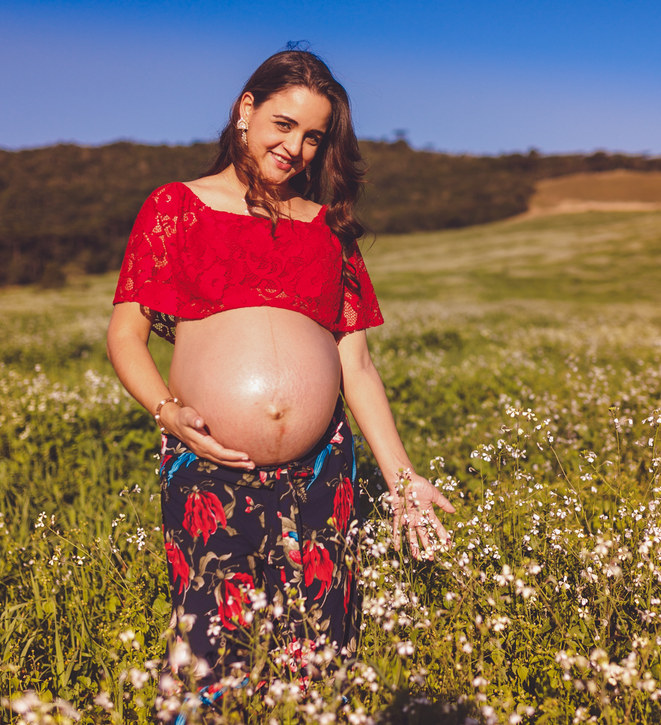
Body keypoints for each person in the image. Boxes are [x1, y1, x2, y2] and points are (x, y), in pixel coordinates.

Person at [105, 47, 454, 697]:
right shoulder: (176, 208)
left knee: (324, 659)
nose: (297, 147)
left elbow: (357, 365)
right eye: (284, 124)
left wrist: (403, 479)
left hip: (323, 470)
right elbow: (125, 335)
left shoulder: (328, 230)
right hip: (208, 460)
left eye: (314, 137)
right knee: (211, 654)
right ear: (246, 110)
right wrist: (166, 411)